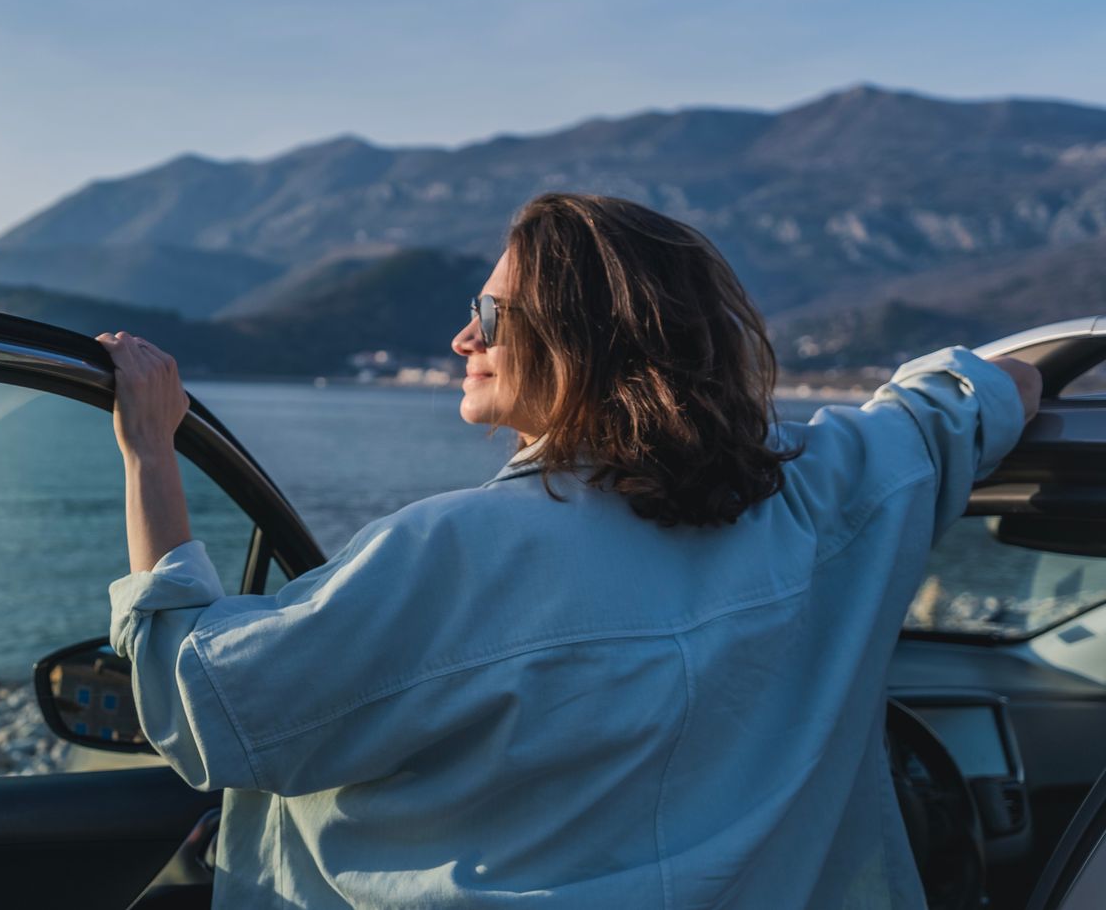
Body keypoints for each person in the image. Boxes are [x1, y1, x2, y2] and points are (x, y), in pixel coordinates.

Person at [93, 192, 1043, 909]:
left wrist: (150, 452)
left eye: (493, 314)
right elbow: (991, 387)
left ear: (587, 342)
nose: (464, 334)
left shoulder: (453, 556)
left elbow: (201, 703)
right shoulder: (829, 492)